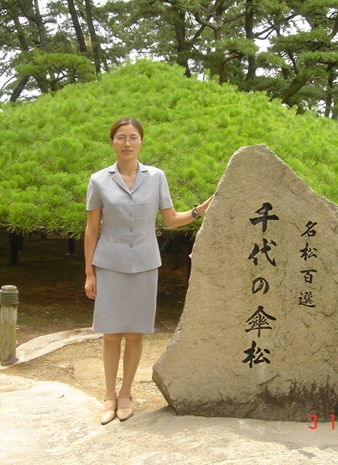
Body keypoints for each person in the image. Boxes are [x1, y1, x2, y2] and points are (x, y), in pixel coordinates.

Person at [84, 117, 213, 425]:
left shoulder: (156, 177)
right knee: (111, 333)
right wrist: (89, 273)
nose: (127, 143)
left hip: (144, 263)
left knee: (135, 332)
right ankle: (109, 396)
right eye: (121, 137)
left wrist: (199, 210)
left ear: (141, 141)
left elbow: (171, 218)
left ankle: (126, 394)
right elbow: (92, 230)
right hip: (109, 264)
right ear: (112, 142)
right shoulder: (99, 180)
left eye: (133, 137)